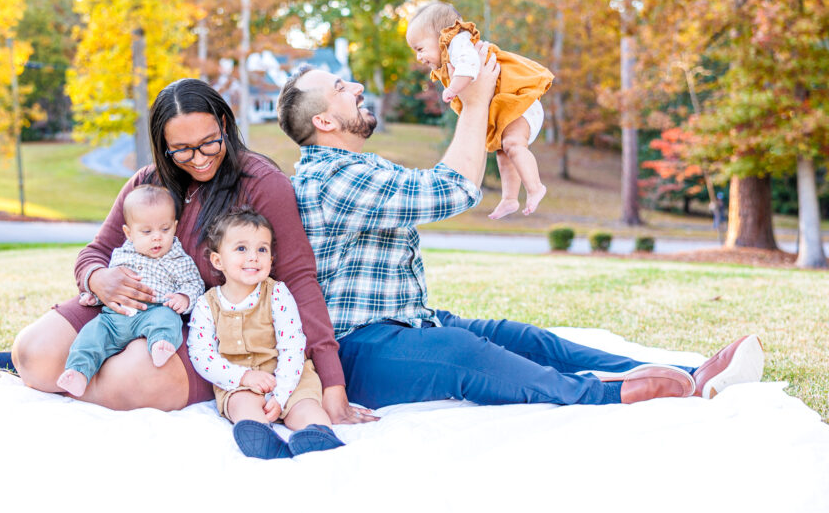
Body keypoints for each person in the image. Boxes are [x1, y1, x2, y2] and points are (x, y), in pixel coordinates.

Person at [275, 60, 765, 410]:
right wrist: (475, 102)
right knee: (465, 354)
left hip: (406, 321)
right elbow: (452, 189)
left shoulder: (358, 167)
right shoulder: (331, 179)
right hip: (356, 349)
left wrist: (494, 117)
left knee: (522, 338)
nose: (357, 87)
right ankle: (610, 394)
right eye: (341, 87)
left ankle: (686, 374)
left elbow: (448, 179)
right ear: (324, 120)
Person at [0, 78, 374, 422]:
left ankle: (74, 378)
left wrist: (333, 384)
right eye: (181, 150)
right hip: (123, 310)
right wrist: (98, 279)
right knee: (32, 354)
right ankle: (66, 370)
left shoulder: (262, 184)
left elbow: (300, 280)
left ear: (224, 124)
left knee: (131, 378)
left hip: (204, 328)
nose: (198, 158)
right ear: (163, 145)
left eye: (209, 142)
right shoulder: (149, 183)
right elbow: (96, 251)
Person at [187, 207, 345, 459]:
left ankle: (317, 433)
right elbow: (201, 355)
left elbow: (292, 346)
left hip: (289, 375)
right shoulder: (207, 304)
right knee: (241, 404)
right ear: (218, 261)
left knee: (305, 404)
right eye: (241, 248)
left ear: (271, 260)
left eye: (262, 249)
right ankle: (261, 436)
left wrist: (281, 396)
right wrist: (243, 377)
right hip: (239, 381)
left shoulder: (277, 293)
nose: (253, 257)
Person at [406, 1, 554, 218]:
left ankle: (535, 188)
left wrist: (453, 89)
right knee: (504, 151)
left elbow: (469, 67)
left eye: (420, 49)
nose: (419, 57)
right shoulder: (450, 52)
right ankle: (510, 199)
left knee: (513, 144)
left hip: (520, 103)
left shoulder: (458, 43)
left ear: (440, 35)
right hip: (508, 106)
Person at [56, 184, 204, 397]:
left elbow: (194, 284)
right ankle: (78, 372)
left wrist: (184, 297)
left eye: (165, 229)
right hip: (115, 318)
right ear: (129, 233)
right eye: (147, 231)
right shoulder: (121, 255)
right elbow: (111, 287)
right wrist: (94, 296)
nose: (157, 237)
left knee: (168, 318)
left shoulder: (178, 258)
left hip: (155, 311)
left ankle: (161, 344)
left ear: (175, 226)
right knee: (91, 335)